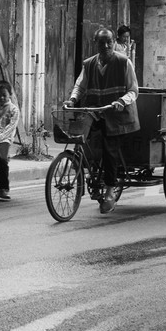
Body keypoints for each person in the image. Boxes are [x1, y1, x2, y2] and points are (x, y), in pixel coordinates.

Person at [64, 28, 140, 214]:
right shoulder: (89, 64)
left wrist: (122, 101)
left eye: (109, 42)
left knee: (109, 149)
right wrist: (73, 99)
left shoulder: (124, 62)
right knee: (82, 130)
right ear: (95, 43)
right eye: (101, 43)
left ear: (114, 42)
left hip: (118, 116)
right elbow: (80, 86)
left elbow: (133, 90)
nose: (105, 46)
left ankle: (109, 192)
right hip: (97, 111)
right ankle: (80, 159)